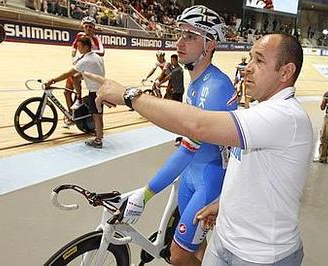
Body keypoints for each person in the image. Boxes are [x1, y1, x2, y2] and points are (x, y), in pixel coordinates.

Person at [87, 32, 312, 265]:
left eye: (259, 60)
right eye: (250, 58)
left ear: (286, 72)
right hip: (225, 241)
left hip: (262, 257)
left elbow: (197, 125)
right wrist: (224, 202)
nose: (247, 68)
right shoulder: (258, 111)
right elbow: (254, 174)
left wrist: (129, 96)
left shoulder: (286, 117)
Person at [89, 6, 239, 265]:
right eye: (180, 34)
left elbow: (188, 149)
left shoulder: (215, 87)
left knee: (179, 256)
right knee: (195, 246)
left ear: (210, 45)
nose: (179, 43)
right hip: (193, 175)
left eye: (190, 36)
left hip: (208, 179)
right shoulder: (195, 80)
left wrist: (146, 193)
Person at [44, 36, 105, 148]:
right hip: (102, 88)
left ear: (86, 47)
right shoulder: (97, 57)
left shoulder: (85, 60)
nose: (78, 48)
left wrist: (52, 80)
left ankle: (98, 140)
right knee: (99, 114)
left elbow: (67, 74)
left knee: (97, 116)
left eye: (79, 46)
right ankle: (79, 98)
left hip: (95, 92)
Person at [63, 16, 104, 127]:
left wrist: (89, 51)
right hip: (80, 64)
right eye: (86, 26)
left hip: (90, 66)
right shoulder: (80, 36)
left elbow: (102, 51)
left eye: (90, 27)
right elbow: (74, 47)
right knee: (66, 92)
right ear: (83, 27)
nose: (88, 28)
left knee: (75, 77)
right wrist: (73, 56)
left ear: (94, 28)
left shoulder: (96, 38)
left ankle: (79, 98)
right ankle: (71, 115)